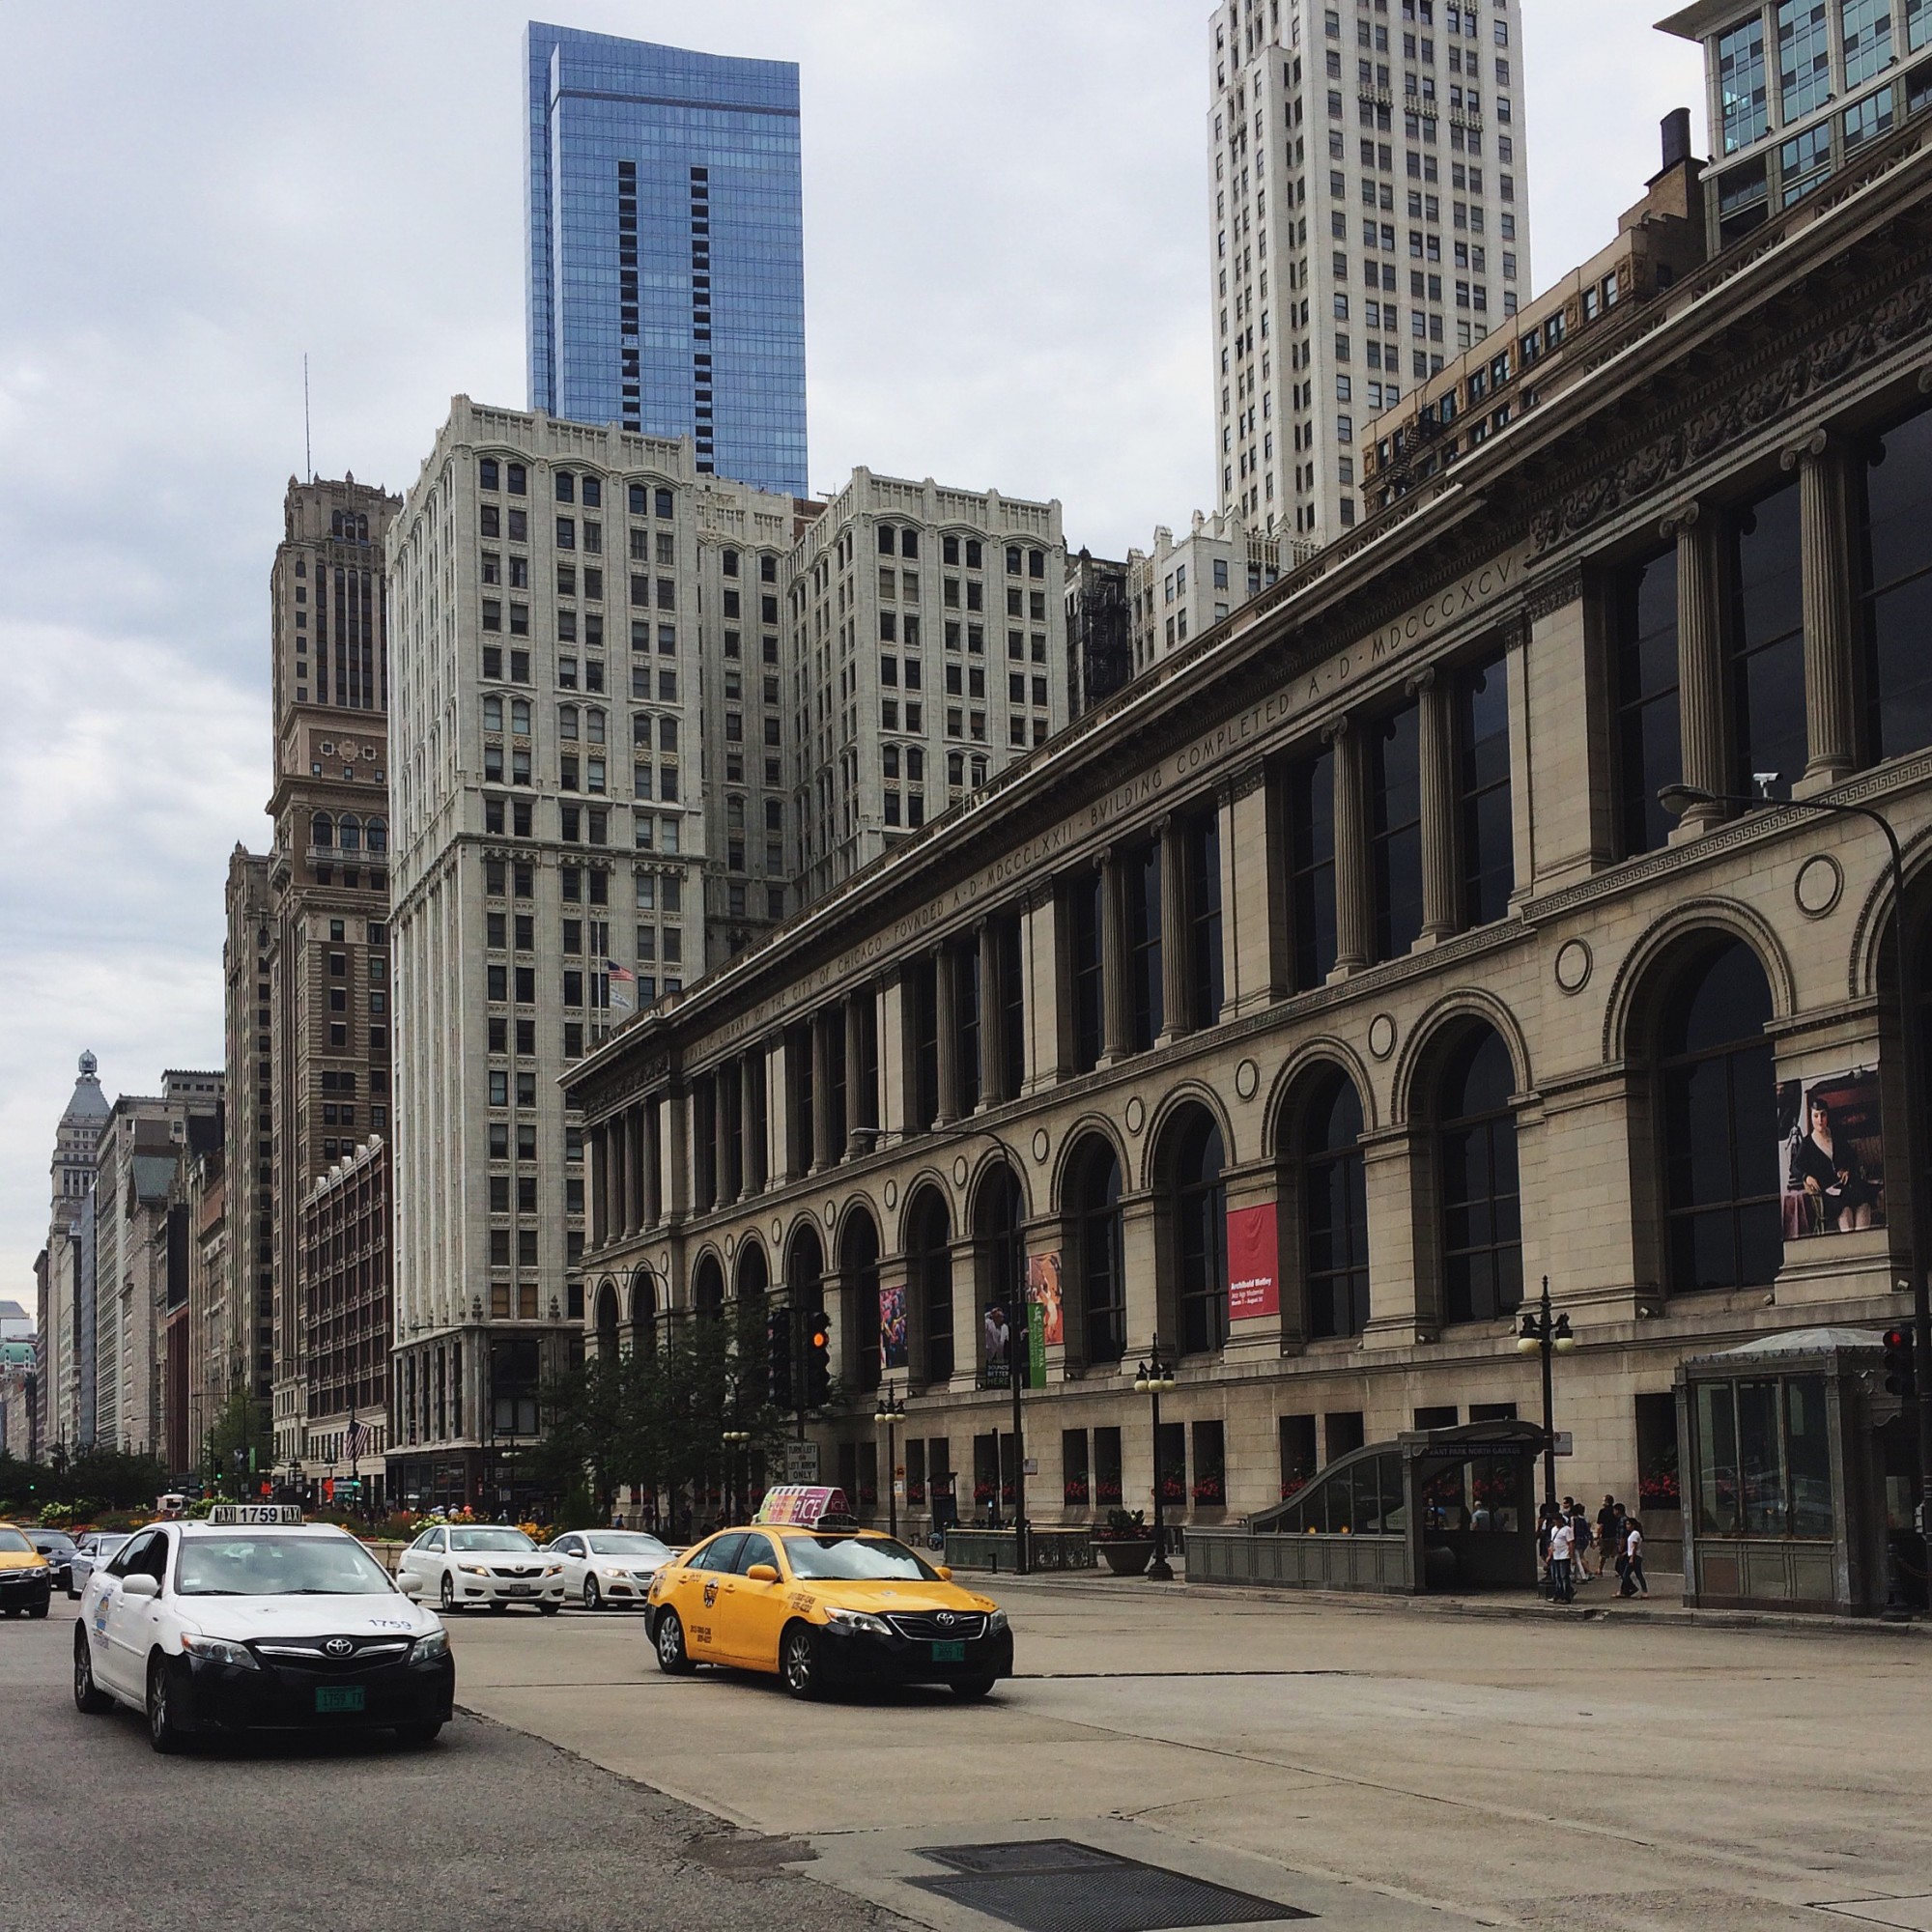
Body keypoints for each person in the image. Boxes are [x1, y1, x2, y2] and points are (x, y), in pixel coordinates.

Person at [1788, 1092, 1877, 1233]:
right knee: (1845, 1209)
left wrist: (1847, 1169)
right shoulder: (1807, 1143)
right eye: (1816, 1116)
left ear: (1827, 1116)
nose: (1820, 1120)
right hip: (1828, 1192)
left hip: (1846, 1185)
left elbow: (1852, 1156)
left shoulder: (1836, 1135)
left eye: (1823, 1115)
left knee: (1864, 1203)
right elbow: (1795, 1167)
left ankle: (1861, 1241)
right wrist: (1806, 1176)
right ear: (1811, 1118)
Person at [1547, 1510, 1576, 1603]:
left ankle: (1566, 1596)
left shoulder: (1567, 1530)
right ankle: (1558, 1594)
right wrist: (1550, 1555)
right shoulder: (1553, 1529)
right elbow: (1553, 1543)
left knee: (1564, 1576)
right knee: (1557, 1576)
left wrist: (1571, 1556)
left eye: (1556, 1520)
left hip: (1564, 1555)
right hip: (1556, 1555)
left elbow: (1570, 1543)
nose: (1555, 1522)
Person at [1621, 1519, 1648, 1598]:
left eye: (1628, 1524)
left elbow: (1634, 1547)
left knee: (1626, 1575)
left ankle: (1632, 1589)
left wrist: (1632, 1558)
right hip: (1633, 1555)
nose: (1627, 1526)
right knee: (1638, 1574)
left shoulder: (1635, 1534)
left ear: (1633, 1525)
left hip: (1635, 1556)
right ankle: (1642, 1591)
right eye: (1626, 1524)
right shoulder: (1633, 1534)